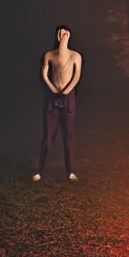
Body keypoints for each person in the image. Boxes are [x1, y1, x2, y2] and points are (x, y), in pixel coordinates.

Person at [33, 25, 82, 182]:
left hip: (68, 99)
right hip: (52, 99)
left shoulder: (76, 56)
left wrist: (67, 91)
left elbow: (77, 75)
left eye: (66, 32)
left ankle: (71, 172)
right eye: (60, 32)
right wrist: (53, 88)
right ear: (57, 36)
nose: (63, 34)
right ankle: (39, 171)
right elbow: (44, 74)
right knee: (48, 137)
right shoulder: (50, 55)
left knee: (69, 138)